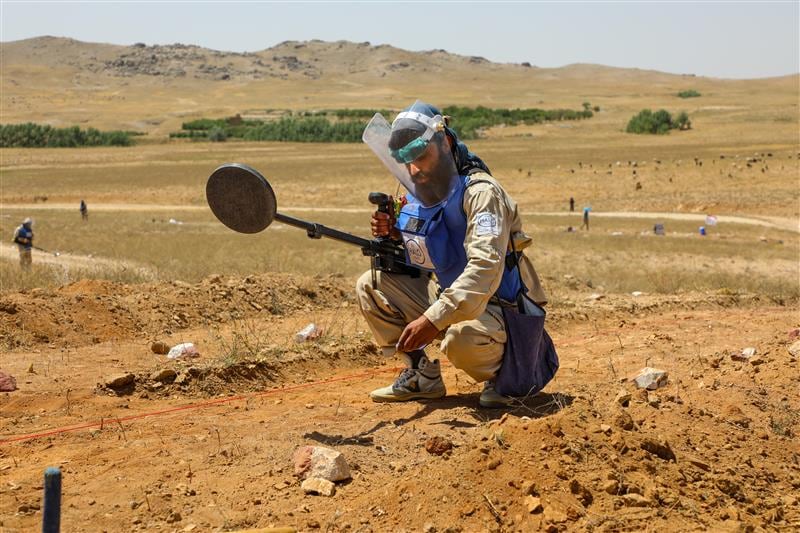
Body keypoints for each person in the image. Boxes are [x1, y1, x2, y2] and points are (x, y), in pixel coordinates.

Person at [356, 101, 548, 408]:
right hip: (453, 297)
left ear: (444, 142)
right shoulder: (427, 193)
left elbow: (484, 268)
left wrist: (432, 319)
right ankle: (422, 375)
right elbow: (435, 254)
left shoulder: (482, 193)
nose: (414, 168)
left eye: (421, 155)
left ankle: (509, 380)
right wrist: (397, 234)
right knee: (372, 285)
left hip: (502, 310)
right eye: (406, 160)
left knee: (461, 337)